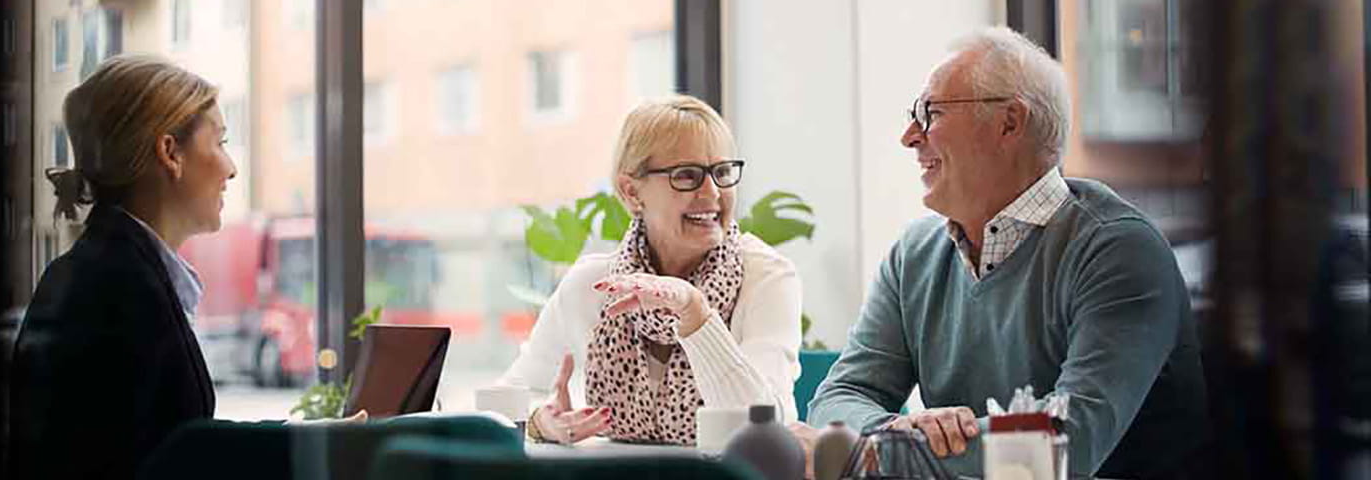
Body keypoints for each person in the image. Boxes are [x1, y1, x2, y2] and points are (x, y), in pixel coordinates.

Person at [807, 27, 1209, 478]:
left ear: (1010, 122)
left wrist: (885, 450)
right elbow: (837, 399)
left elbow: (1068, 443)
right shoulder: (914, 255)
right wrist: (900, 432)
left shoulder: (1119, 250)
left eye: (930, 112)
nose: (909, 136)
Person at [498, 95, 803, 445]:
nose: (713, 193)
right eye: (687, 175)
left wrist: (696, 314)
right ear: (631, 192)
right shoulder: (592, 285)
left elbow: (762, 428)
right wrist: (541, 421)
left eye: (721, 173)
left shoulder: (766, 277)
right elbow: (505, 399)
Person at [9, 55, 237, 479]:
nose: (231, 168)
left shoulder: (116, 270)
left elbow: (173, 443)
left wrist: (304, 439)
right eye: (220, 142)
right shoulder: (117, 288)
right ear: (170, 152)